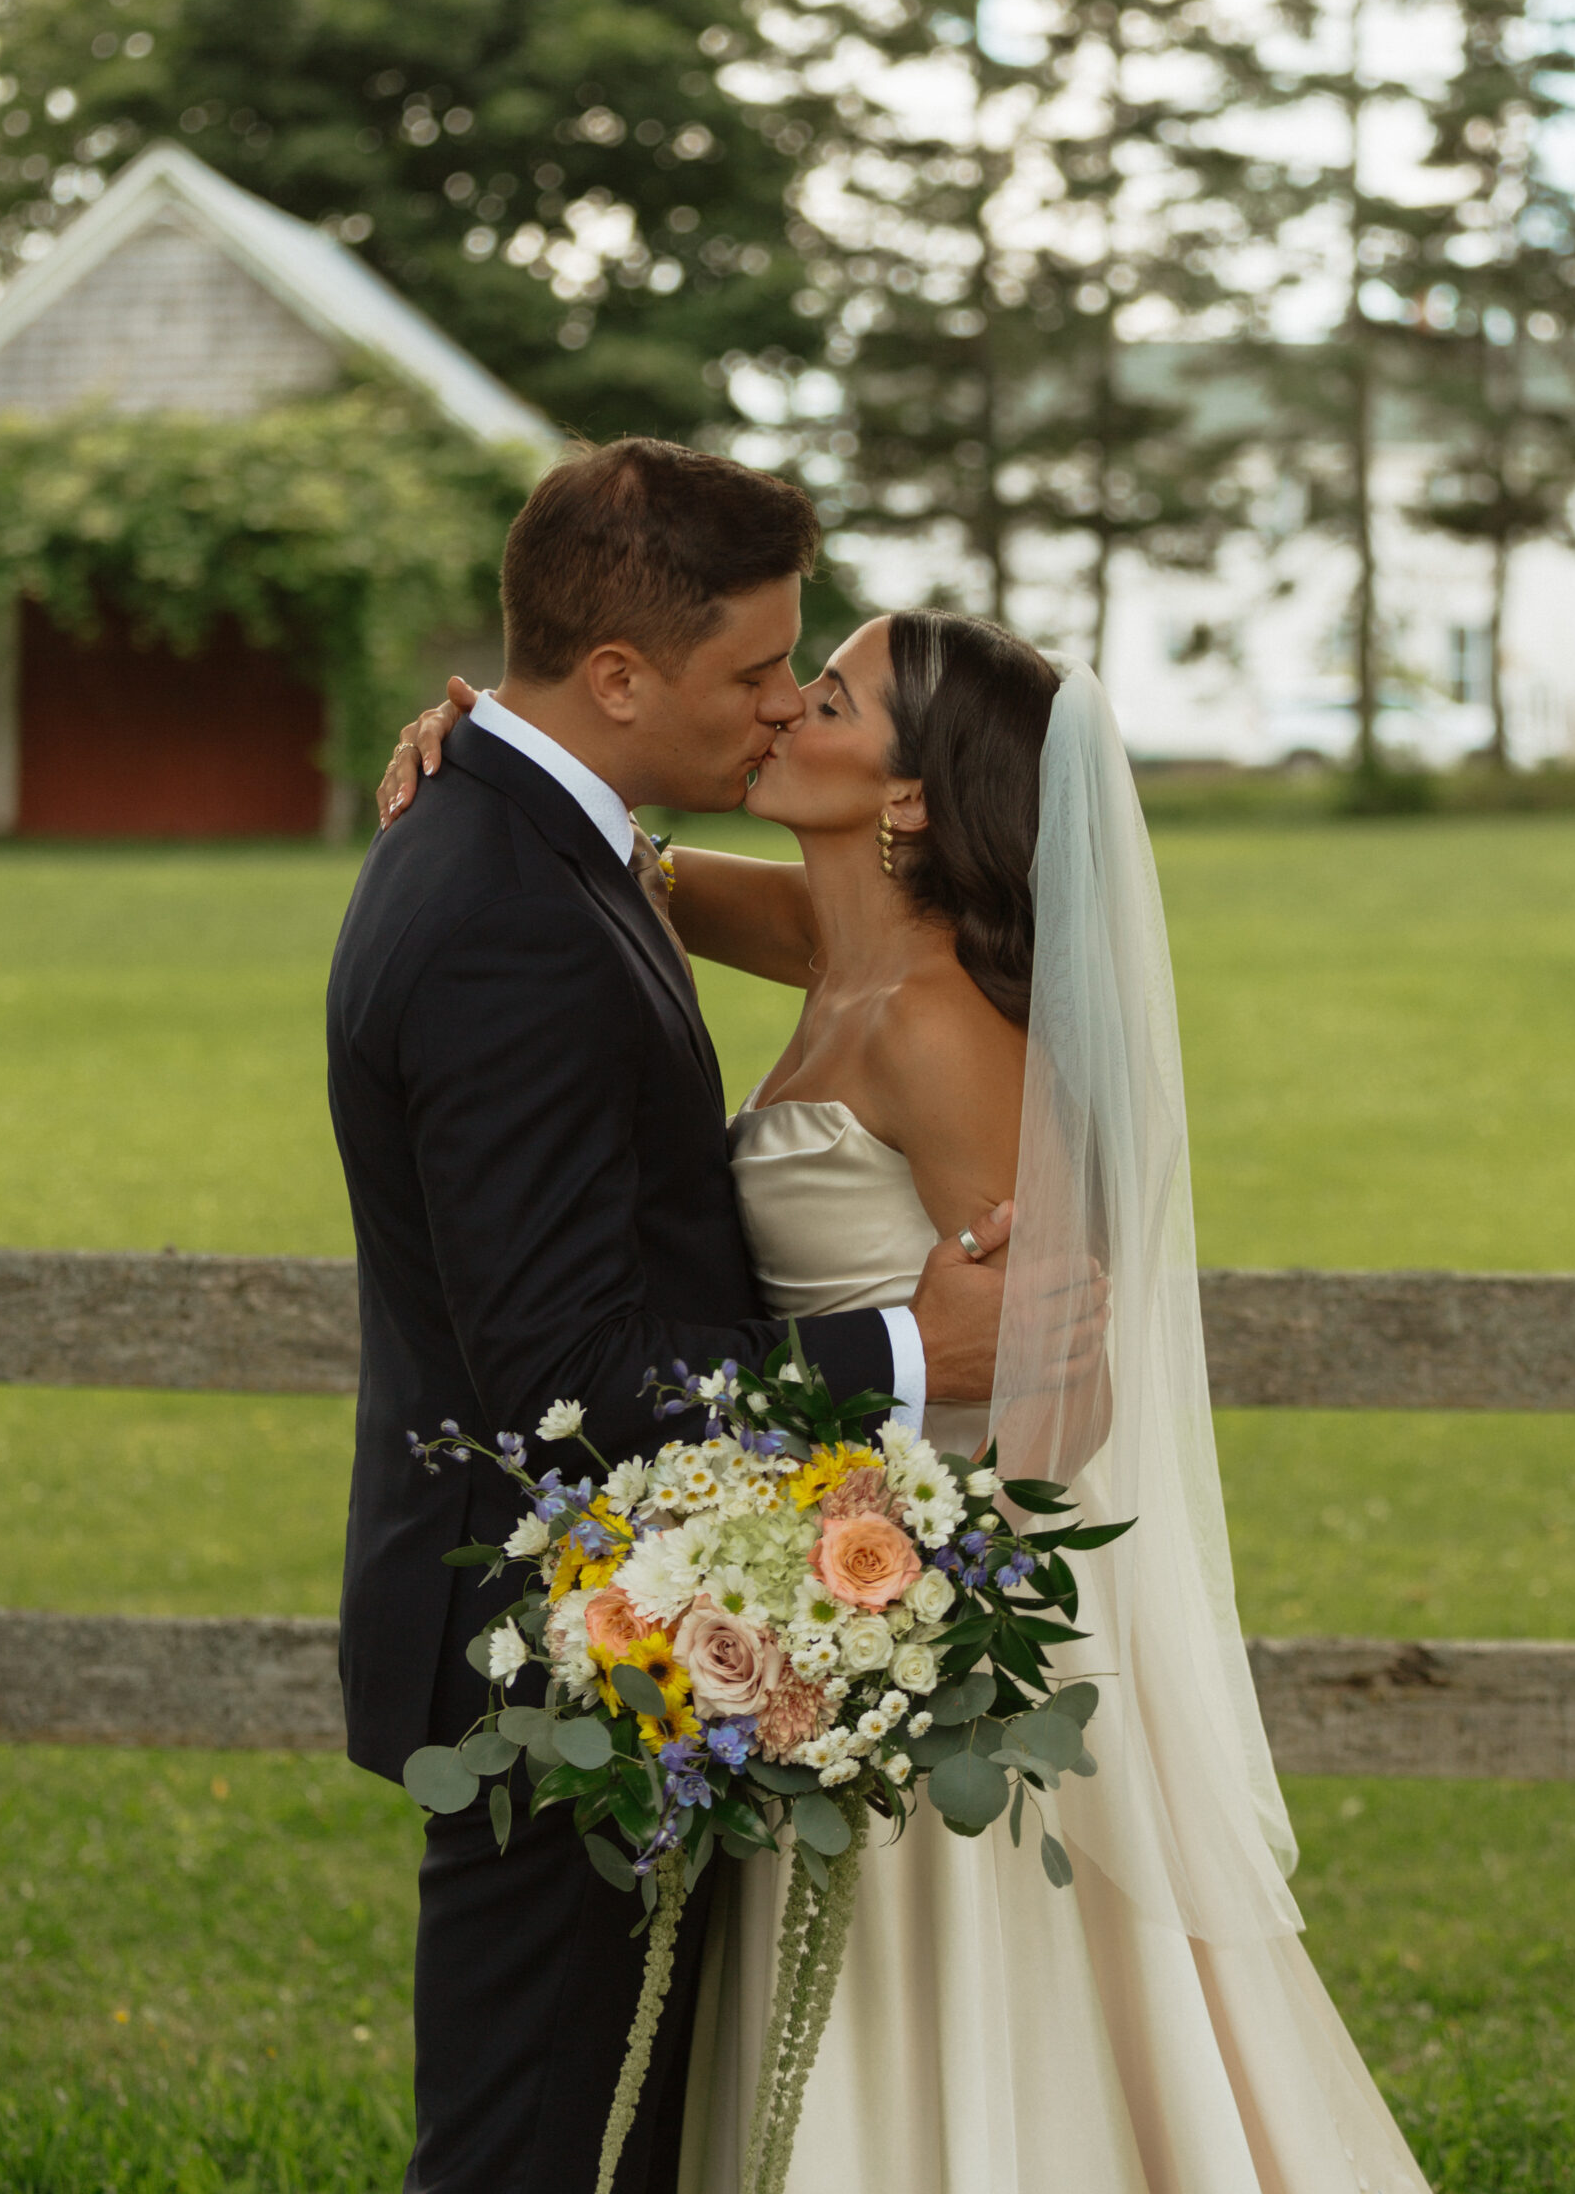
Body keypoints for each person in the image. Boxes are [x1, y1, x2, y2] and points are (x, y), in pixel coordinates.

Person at [386, 601, 1432, 2194]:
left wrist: (847, 1582)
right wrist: (486, 762)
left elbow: (1060, 1417)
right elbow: (614, 865)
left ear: (912, 797)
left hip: (919, 1641)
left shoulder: (945, 1031)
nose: (786, 707)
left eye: (831, 694)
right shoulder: (837, 950)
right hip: (812, 1596)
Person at [327, 439, 1015, 2194]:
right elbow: (567, 1377)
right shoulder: (505, 912)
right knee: (536, 2149)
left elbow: (843, 936)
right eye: (753, 672)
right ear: (618, 675)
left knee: (609, 2137)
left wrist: (496, 749)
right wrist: (917, 1355)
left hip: (645, 1628)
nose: (781, 709)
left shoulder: (543, 845)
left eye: (808, 675)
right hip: (549, 1648)